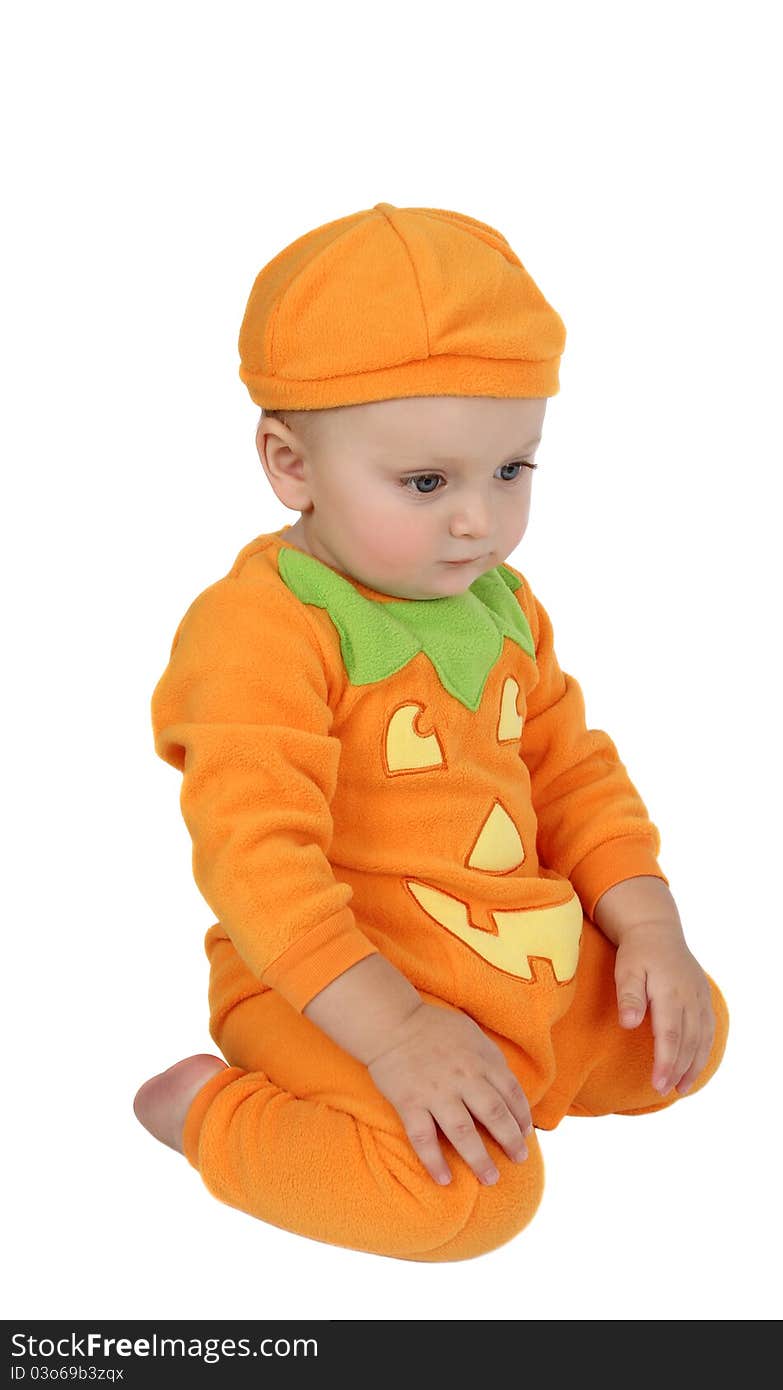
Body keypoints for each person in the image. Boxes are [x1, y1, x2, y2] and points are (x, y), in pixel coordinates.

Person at [133, 201, 729, 1262]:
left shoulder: (501, 601)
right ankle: (208, 1112)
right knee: (466, 1204)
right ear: (289, 463)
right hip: (327, 982)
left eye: (512, 470)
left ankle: (502, 1071)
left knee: (687, 1038)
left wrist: (648, 926)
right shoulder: (262, 628)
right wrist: (399, 1032)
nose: (478, 521)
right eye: (426, 483)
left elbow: (573, 773)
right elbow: (254, 858)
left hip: (499, 958)